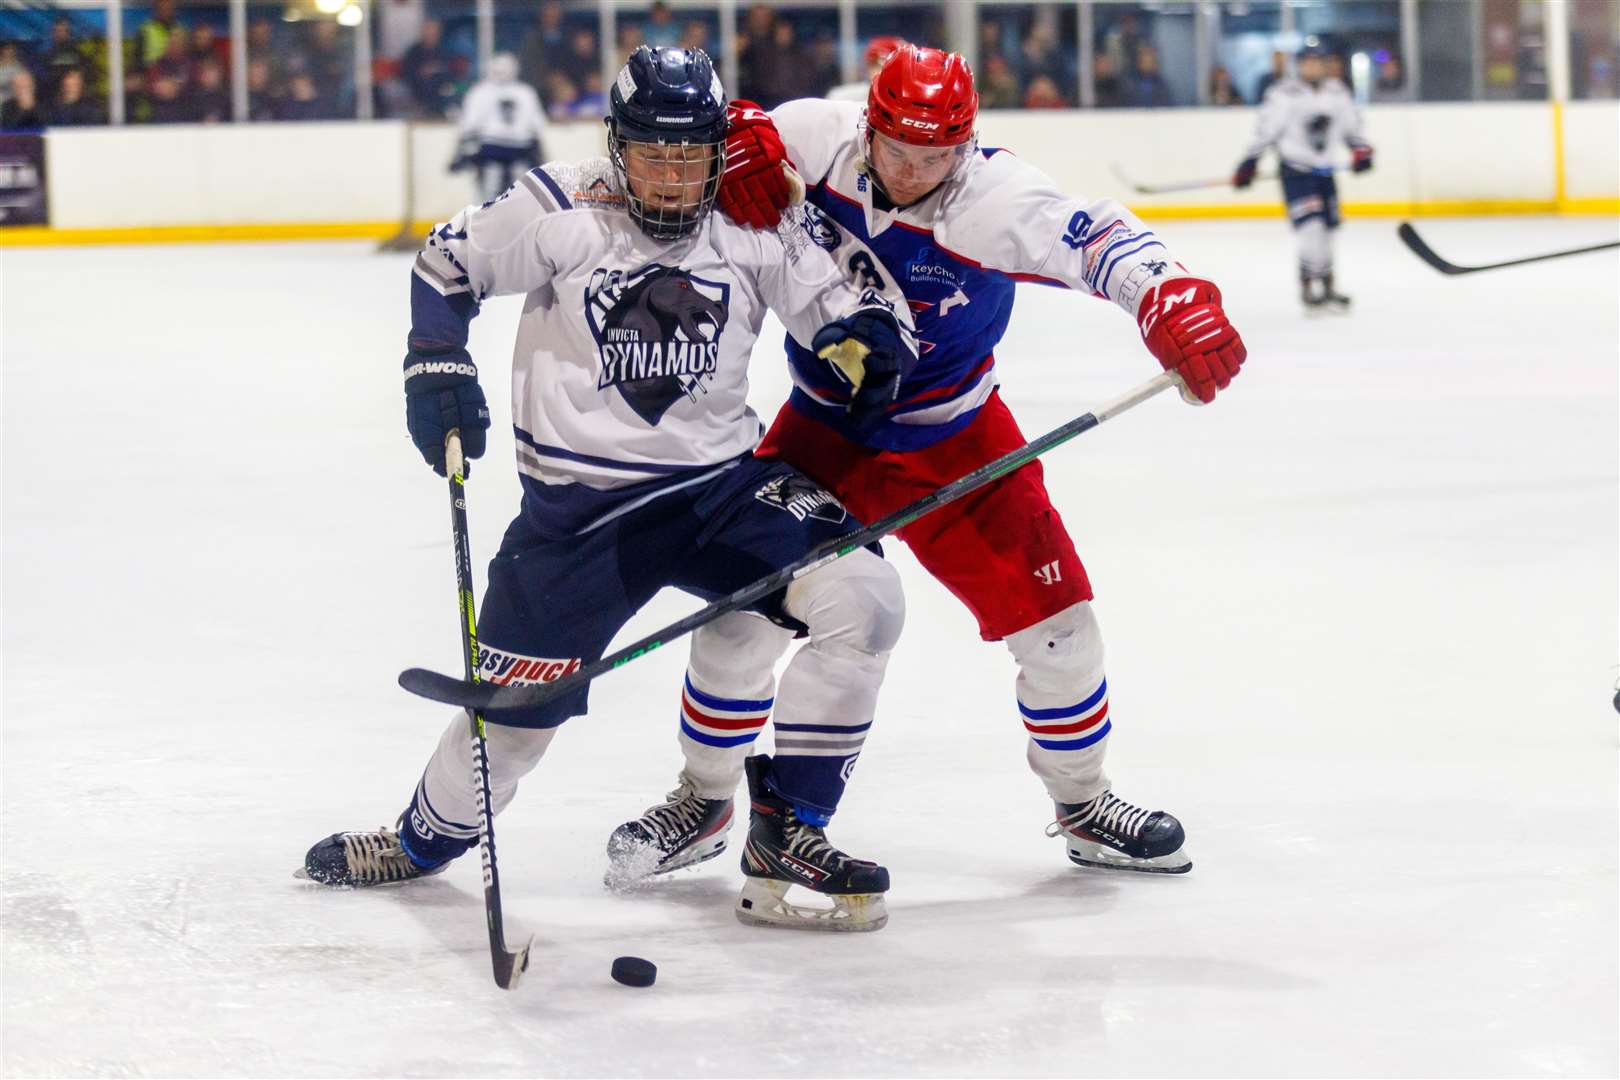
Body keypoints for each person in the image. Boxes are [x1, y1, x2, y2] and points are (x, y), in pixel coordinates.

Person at [302, 46, 916, 934]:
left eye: (691, 156)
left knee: (865, 596)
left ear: (718, 148)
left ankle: (793, 828)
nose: (672, 178)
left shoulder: (753, 213)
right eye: (651, 155)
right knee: (511, 725)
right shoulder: (558, 206)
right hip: (580, 516)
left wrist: (867, 343)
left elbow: (860, 305)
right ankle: (421, 841)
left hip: (722, 492)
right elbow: (445, 264)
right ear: (614, 146)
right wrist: (433, 360)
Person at [607, 45, 1246, 884]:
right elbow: (700, 138)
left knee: (1061, 634)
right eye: (897, 150)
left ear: (968, 144)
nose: (912, 172)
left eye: (936, 156)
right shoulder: (811, 134)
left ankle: (1084, 804)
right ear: (868, 126)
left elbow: (1102, 240)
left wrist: (1170, 295)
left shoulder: (997, 199)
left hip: (958, 442)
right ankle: (704, 797)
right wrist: (738, 132)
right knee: (741, 621)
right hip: (823, 431)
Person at [1232, 41, 1373, 312]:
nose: (1312, 66)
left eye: (1317, 61)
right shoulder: (1284, 93)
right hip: (1296, 172)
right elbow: (1266, 130)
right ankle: (1309, 284)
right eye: (1306, 62)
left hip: (1325, 173)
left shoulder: (1337, 91)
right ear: (1299, 65)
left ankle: (1328, 285)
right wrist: (1250, 161)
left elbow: (1352, 127)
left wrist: (1361, 151)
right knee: (1311, 230)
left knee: (1329, 231)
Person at [450, 52, 547, 202]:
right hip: (520, 147)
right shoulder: (526, 92)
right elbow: (538, 124)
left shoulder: (480, 91)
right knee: (521, 190)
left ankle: (487, 216)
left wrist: (460, 152)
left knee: (489, 190)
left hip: (491, 147)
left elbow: (469, 125)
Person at [828, 35, 905, 103]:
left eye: (885, 66)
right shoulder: (840, 97)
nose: (878, 71)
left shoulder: (910, 101)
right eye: (873, 65)